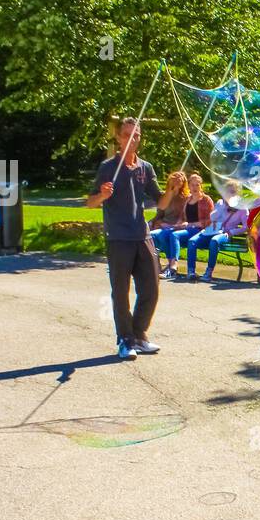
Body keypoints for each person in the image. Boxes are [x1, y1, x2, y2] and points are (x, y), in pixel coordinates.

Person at [87, 117, 173, 360]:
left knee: (151, 288)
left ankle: (139, 334)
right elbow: (90, 202)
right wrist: (102, 195)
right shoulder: (108, 167)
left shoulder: (145, 168)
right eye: (126, 135)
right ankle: (125, 340)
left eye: (135, 135)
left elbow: (161, 202)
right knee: (121, 291)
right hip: (118, 237)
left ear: (140, 138)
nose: (131, 139)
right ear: (118, 137)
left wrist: (172, 190)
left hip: (141, 235)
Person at [149, 172, 211, 280]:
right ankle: (166, 265)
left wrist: (191, 224)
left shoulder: (206, 200)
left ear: (201, 186)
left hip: (199, 230)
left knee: (175, 235)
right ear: (189, 186)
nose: (195, 187)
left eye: (197, 185)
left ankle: (173, 267)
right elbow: (182, 218)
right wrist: (176, 225)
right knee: (164, 235)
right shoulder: (188, 200)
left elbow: (210, 221)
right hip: (186, 228)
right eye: (192, 185)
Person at [187, 183, 248, 282]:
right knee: (192, 241)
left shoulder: (242, 209)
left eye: (232, 192)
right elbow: (212, 217)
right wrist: (223, 206)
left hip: (225, 234)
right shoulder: (220, 203)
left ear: (238, 193)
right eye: (227, 192)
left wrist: (232, 231)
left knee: (214, 241)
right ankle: (191, 272)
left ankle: (208, 272)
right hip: (212, 231)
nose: (229, 194)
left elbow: (245, 227)